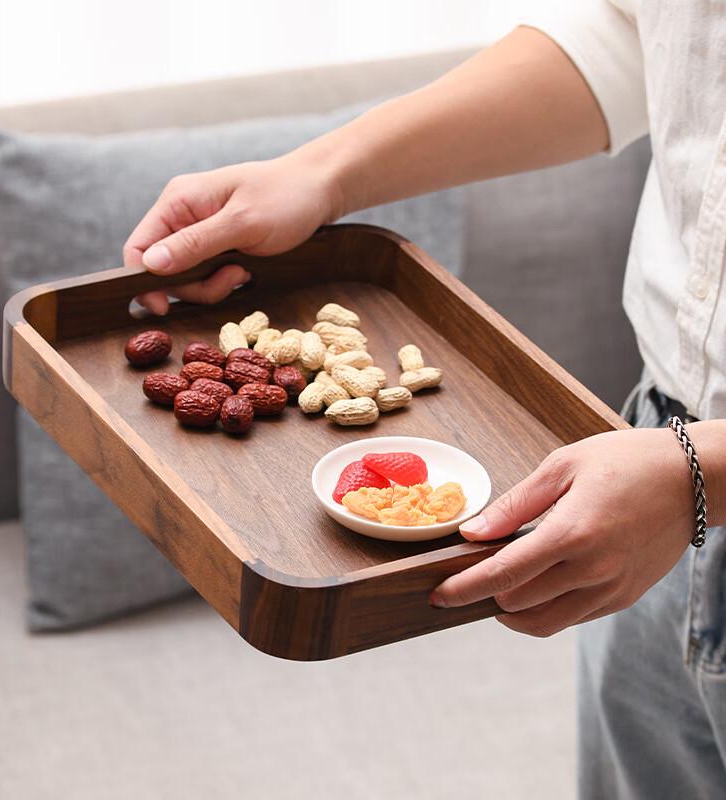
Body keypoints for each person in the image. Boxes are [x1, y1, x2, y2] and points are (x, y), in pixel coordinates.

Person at [123, 3, 726, 796]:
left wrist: (702, 472)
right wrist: (324, 172)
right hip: (649, 458)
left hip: (674, 479)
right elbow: (644, 36)